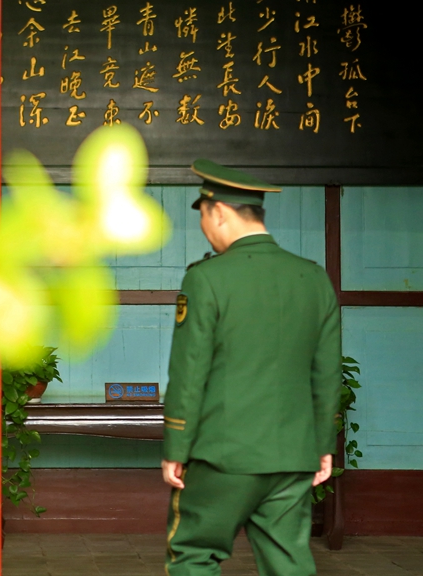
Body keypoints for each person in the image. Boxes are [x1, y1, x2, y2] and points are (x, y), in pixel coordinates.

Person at [162, 160, 342, 576]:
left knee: (193, 555)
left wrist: (176, 447)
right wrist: (322, 445)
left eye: (203, 216)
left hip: (223, 455)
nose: (204, 227)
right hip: (293, 455)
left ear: (219, 212)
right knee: (288, 563)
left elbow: (190, 372)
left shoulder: (207, 279)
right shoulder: (314, 278)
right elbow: (326, 372)